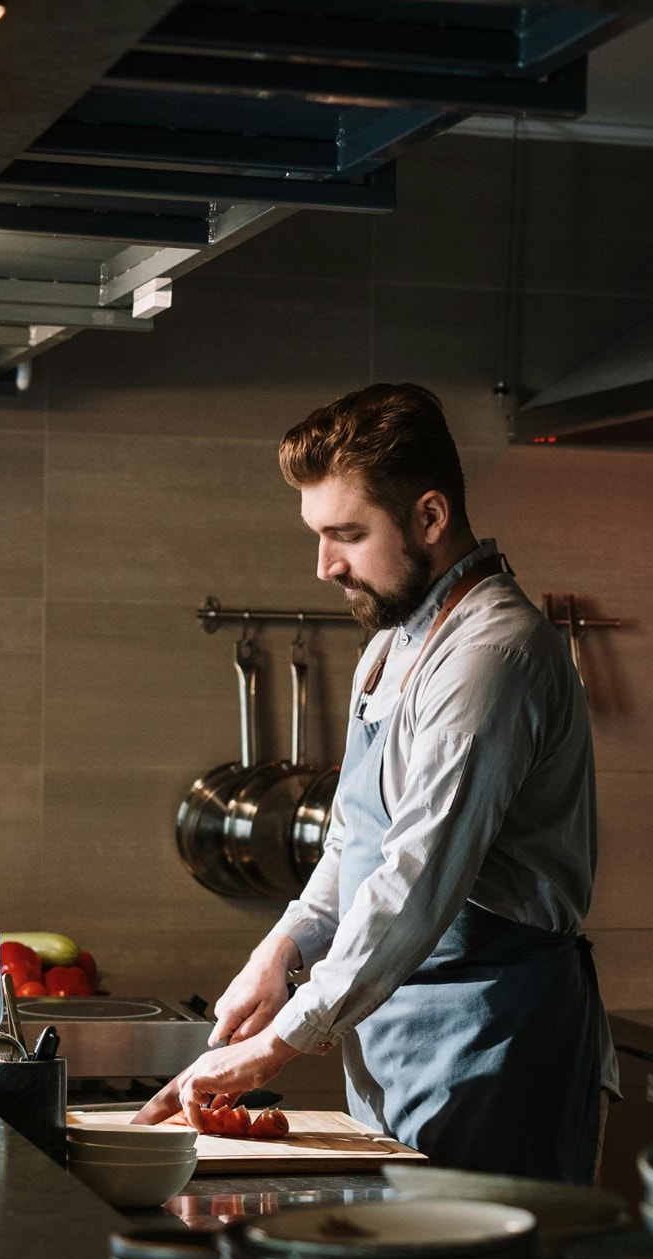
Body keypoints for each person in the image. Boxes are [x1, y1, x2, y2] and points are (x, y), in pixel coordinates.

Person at [135, 383, 616, 1182]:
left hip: (492, 1053)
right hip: (399, 1049)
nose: (324, 565)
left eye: (347, 534)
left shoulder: (490, 658)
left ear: (430, 516)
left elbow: (417, 881)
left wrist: (279, 1043)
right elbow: (356, 840)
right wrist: (281, 948)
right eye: (319, 534)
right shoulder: (393, 646)